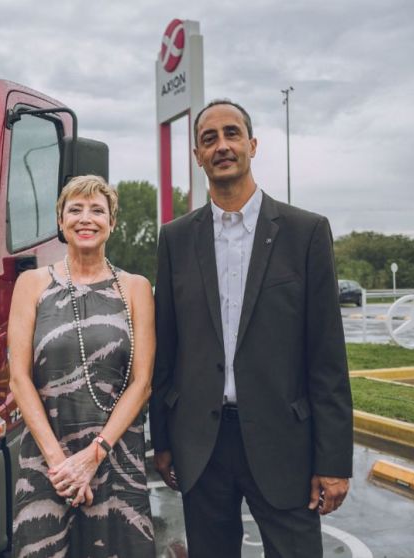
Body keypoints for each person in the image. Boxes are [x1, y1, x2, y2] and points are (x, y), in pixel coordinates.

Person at [150, 99, 353, 557]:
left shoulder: (305, 233)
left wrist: (334, 461)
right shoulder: (176, 240)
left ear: (252, 145)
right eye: (209, 139)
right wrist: (162, 439)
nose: (222, 145)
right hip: (202, 447)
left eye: (232, 134)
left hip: (286, 445)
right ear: (197, 155)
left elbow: (327, 357)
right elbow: (168, 350)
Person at [8, 175, 156, 557]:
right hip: (46, 463)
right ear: (60, 222)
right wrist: (62, 468)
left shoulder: (136, 288)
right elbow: (19, 379)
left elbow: (142, 382)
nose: (85, 218)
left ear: (112, 223)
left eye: (97, 210)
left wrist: (93, 456)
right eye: (75, 209)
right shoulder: (32, 283)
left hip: (116, 460)